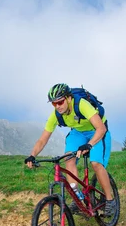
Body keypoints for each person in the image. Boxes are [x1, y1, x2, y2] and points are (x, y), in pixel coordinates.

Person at [24, 83, 117, 216]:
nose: (57, 106)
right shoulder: (56, 115)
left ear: (68, 98)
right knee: (68, 159)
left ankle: (110, 200)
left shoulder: (81, 105)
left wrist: (89, 145)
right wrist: (32, 155)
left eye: (60, 102)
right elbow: (43, 139)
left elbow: (101, 129)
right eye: (53, 104)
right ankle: (78, 199)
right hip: (78, 133)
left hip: (97, 130)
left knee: (96, 163)